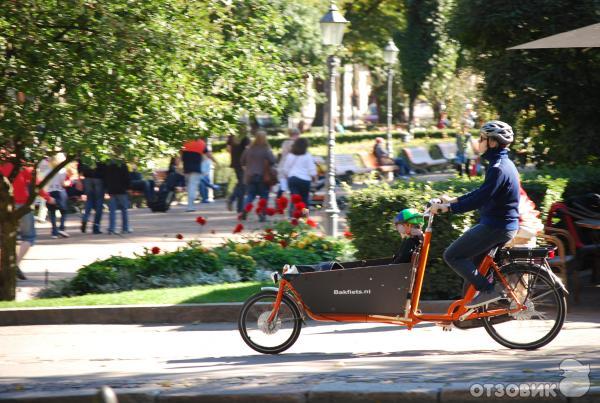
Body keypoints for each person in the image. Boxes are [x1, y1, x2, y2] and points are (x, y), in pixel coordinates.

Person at [431, 120, 520, 308]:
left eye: (482, 138)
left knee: (452, 256)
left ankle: (489, 292)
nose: (479, 142)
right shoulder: (503, 164)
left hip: (495, 227)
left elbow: (481, 199)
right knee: (474, 267)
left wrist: (448, 209)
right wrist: (454, 200)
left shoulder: (498, 168)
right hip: (501, 225)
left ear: (492, 143)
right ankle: (471, 312)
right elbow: (482, 192)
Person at [0, 159, 55, 280]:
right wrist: (47, 197)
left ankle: (4, 267)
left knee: (3, 237)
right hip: (21, 204)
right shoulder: (20, 163)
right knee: (28, 237)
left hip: (3, 205)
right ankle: (14, 265)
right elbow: (36, 183)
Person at [240, 131, 276, 222]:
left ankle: (245, 209)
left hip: (250, 176)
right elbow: (273, 160)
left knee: (250, 195)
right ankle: (262, 213)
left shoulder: (248, 149)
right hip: (263, 176)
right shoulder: (266, 149)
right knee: (264, 196)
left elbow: (242, 161)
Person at [281, 137, 317, 211]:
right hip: (305, 180)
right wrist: (314, 177)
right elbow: (311, 169)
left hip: (293, 179)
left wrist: (287, 177)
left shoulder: (290, 155)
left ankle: (292, 216)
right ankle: (304, 217)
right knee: (304, 199)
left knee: (294, 199)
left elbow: (285, 169)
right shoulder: (307, 155)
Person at [226, 128, 251, 213]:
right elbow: (248, 150)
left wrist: (234, 155)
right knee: (242, 185)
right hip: (243, 164)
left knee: (241, 184)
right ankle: (232, 199)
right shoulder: (245, 138)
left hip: (235, 163)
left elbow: (228, 149)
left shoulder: (231, 136)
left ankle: (239, 208)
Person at [103, 159, 131, 234]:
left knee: (112, 210)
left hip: (112, 190)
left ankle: (112, 228)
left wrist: (107, 188)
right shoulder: (123, 164)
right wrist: (127, 188)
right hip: (121, 190)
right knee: (124, 210)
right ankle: (125, 228)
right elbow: (127, 178)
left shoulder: (108, 165)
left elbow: (106, 177)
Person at [46, 155, 70, 238]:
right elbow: (63, 183)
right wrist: (69, 183)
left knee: (52, 212)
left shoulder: (47, 170)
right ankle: (62, 228)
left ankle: (54, 231)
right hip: (59, 191)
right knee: (63, 211)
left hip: (50, 191)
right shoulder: (62, 170)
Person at [79, 159, 105, 234]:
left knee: (89, 200)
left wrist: (80, 174)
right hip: (99, 177)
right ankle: (96, 226)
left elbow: (80, 162)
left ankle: (85, 219)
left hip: (87, 177)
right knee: (99, 202)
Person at [277, 128, 300, 197]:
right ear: (295, 135)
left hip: (282, 165)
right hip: (291, 167)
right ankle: (293, 203)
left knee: (283, 186)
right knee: (293, 187)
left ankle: (278, 202)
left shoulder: (284, 143)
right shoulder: (294, 144)